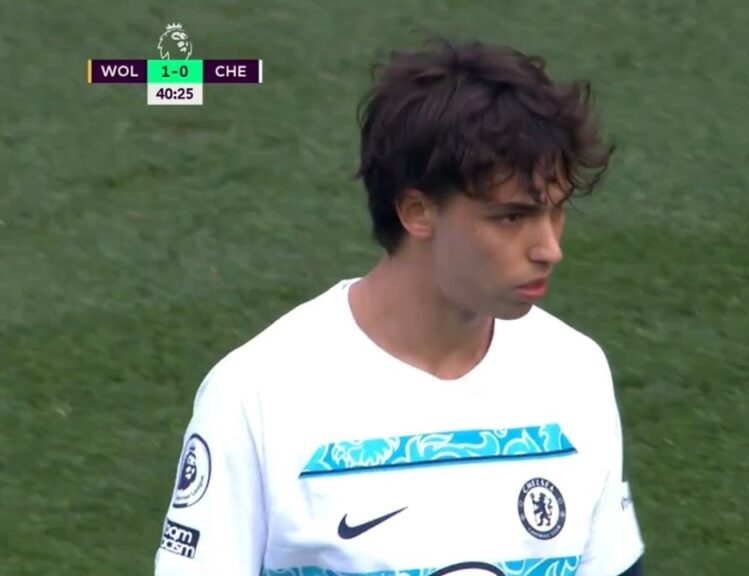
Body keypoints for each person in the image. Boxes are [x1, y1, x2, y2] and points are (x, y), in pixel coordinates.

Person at [154, 37, 645, 576]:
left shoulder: (574, 371)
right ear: (417, 212)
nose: (549, 247)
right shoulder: (258, 395)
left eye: (556, 213)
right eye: (512, 218)